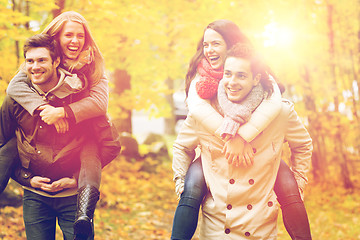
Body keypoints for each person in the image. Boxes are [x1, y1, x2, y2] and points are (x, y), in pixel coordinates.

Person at [171, 20, 312, 240]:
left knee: (289, 188)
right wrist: (181, 179)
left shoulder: (274, 105)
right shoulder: (205, 94)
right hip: (218, 224)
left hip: (257, 225)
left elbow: (300, 142)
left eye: (241, 75)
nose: (209, 50)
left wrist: (299, 179)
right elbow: (183, 142)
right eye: (206, 45)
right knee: (192, 186)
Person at [0, 11, 120, 239]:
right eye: (68, 35)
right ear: (55, 38)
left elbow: (100, 105)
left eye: (80, 36)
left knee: (90, 148)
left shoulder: (91, 73)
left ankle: (86, 209)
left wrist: (64, 112)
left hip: (73, 188)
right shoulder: (33, 70)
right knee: (11, 144)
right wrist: (44, 109)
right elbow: (13, 92)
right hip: (35, 191)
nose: (75, 41)